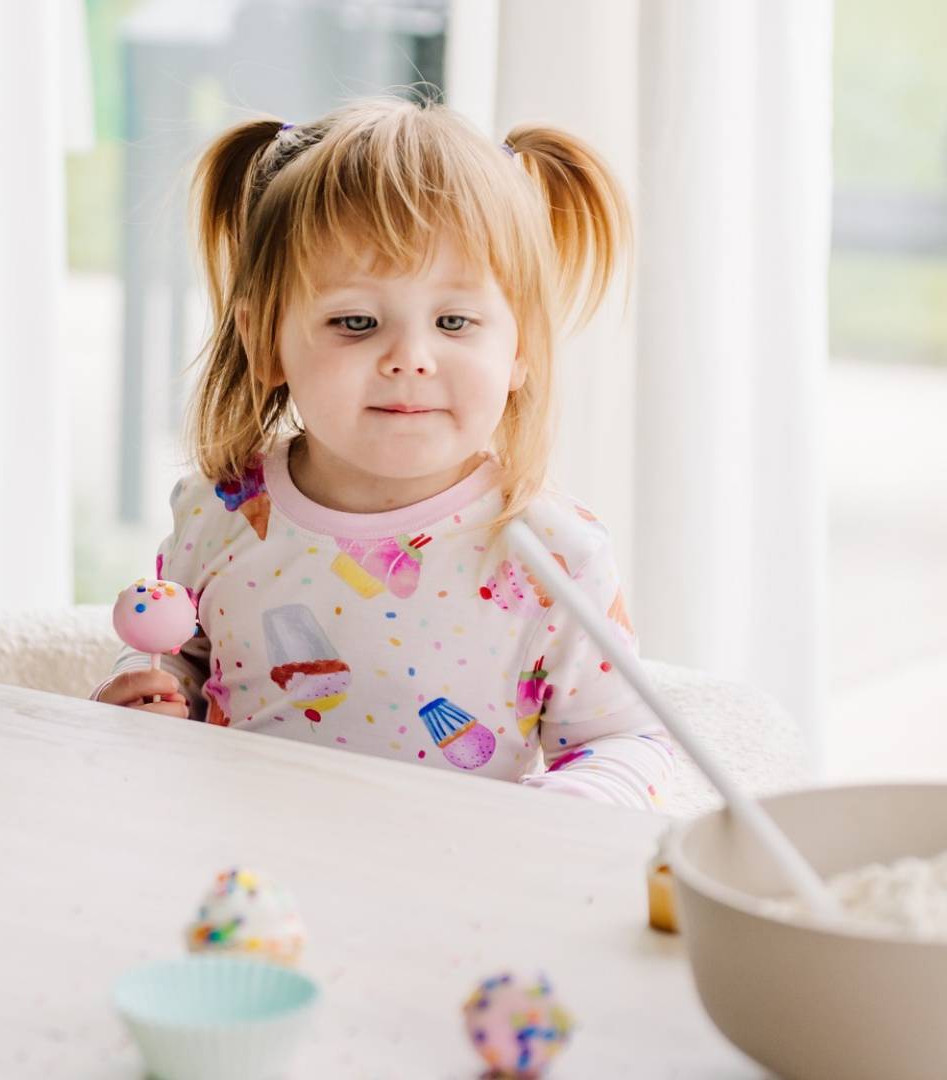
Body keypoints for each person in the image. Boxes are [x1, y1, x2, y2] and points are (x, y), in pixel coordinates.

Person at [93, 95, 676, 811]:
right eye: (356, 321)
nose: (409, 358)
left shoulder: (553, 555)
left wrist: (562, 816)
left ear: (520, 347)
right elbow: (177, 654)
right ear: (264, 340)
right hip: (247, 871)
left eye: (454, 320)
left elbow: (627, 742)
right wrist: (142, 692)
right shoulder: (224, 510)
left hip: (452, 892)